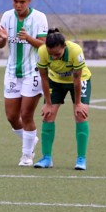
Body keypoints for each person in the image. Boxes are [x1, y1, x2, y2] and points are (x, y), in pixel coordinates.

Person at [0, 0, 48, 166]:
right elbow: (1, 44)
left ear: (29, 1)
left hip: (32, 71)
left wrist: (28, 38)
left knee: (26, 115)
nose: (18, 5)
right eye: (15, 1)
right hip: (12, 71)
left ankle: (27, 155)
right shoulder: (7, 16)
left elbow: (43, 45)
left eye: (22, 2)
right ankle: (30, 138)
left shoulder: (39, 18)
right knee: (12, 116)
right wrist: (2, 39)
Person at [33, 28, 92, 170]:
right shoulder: (42, 51)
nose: (53, 57)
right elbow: (44, 77)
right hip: (55, 81)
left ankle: (81, 159)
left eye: (57, 54)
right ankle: (47, 158)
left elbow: (77, 78)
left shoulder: (75, 51)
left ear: (64, 46)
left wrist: (78, 103)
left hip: (79, 80)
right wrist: (47, 103)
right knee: (48, 115)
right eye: (50, 54)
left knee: (80, 115)